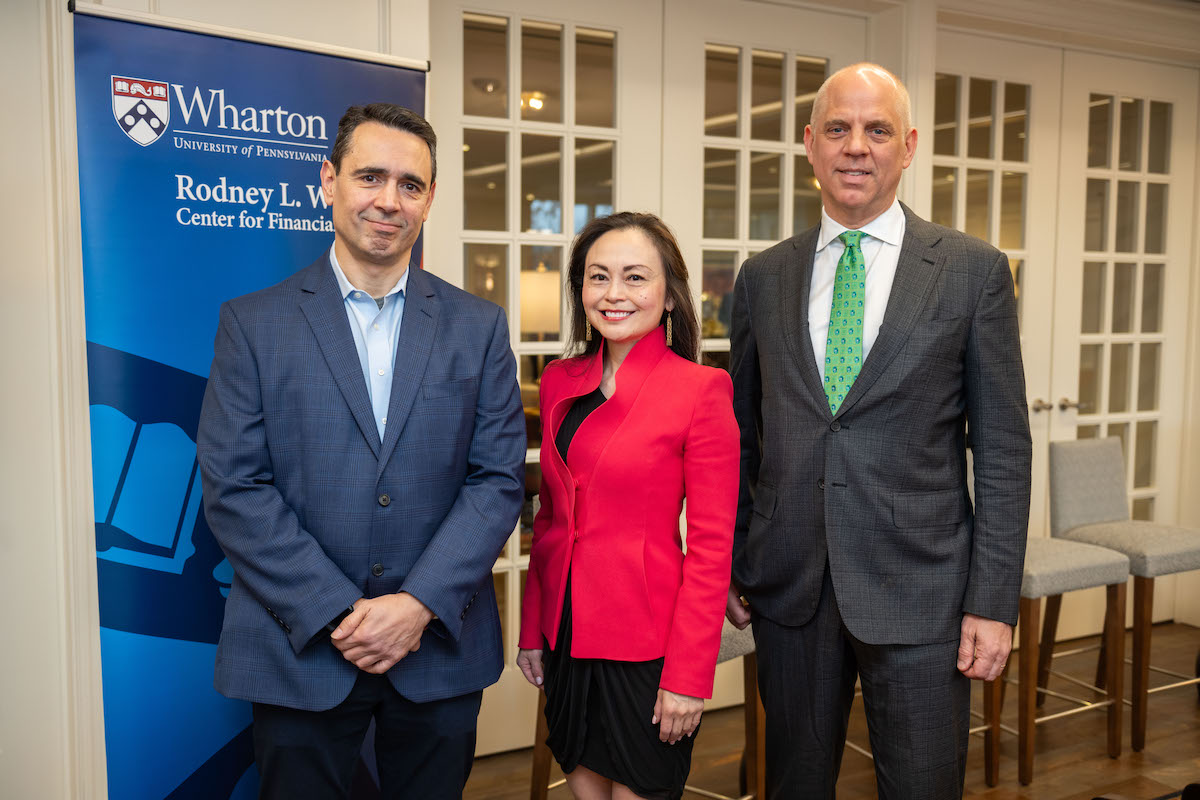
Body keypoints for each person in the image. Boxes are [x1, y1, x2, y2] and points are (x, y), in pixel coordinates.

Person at [196, 103, 525, 799]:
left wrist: (416, 605)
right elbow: (235, 487)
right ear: (328, 181)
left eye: (410, 184)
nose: (388, 200)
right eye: (370, 176)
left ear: (430, 198)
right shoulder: (252, 325)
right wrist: (339, 613)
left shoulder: (479, 328)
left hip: (436, 648)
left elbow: (496, 480)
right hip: (301, 649)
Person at [727, 64, 1032, 798]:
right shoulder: (762, 276)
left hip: (922, 590)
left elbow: (1001, 453)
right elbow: (743, 434)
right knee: (794, 785)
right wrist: (738, 557)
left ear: (909, 146)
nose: (855, 146)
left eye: (876, 130)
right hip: (790, 587)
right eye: (837, 128)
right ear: (809, 144)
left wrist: (992, 603)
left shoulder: (971, 272)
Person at [516, 213, 739, 800]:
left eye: (635, 277)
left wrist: (690, 676)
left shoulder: (701, 390)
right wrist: (533, 628)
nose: (614, 294)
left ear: (669, 296)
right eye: (598, 277)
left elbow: (713, 548)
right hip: (565, 632)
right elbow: (550, 521)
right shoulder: (562, 380)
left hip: (647, 642)